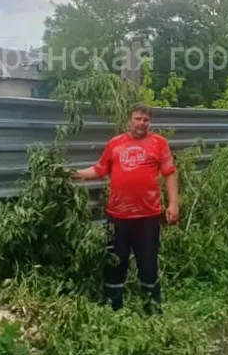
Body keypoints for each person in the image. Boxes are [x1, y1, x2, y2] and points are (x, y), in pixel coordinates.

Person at [70, 103, 180, 313]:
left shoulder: (159, 143)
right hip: (118, 217)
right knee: (115, 263)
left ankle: (152, 310)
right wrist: (73, 174)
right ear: (129, 120)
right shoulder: (115, 144)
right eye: (137, 119)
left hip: (148, 216)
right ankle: (114, 310)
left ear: (150, 122)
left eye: (145, 120)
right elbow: (99, 169)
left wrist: (174, 204)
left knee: (148, 266)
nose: (141, 123)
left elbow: (169, 173)